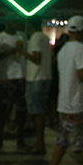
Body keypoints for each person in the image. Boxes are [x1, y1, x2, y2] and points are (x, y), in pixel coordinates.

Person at [43, 15, 83, 165]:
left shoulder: (63, 50)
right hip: (78, 102)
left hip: (65, 102)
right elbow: (82, 74)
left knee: (64, 140)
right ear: (82, 31)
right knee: (79, 140)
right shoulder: (80, 49)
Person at [0, 20, 27, 150]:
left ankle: (20, 139)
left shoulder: (22, 36)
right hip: (6, 77)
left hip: (21, 76)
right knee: (3, 110)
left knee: (21, 110)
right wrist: (8, 52)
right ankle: (0, 138)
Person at [25, 18, 52, 154]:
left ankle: (40, 144)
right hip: (44, 76)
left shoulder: (35, 37)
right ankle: (38, 142)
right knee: (39, 111)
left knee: (37, 112)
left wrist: (23, 52)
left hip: (36, 78)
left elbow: (36, 58)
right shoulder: (45, 37)